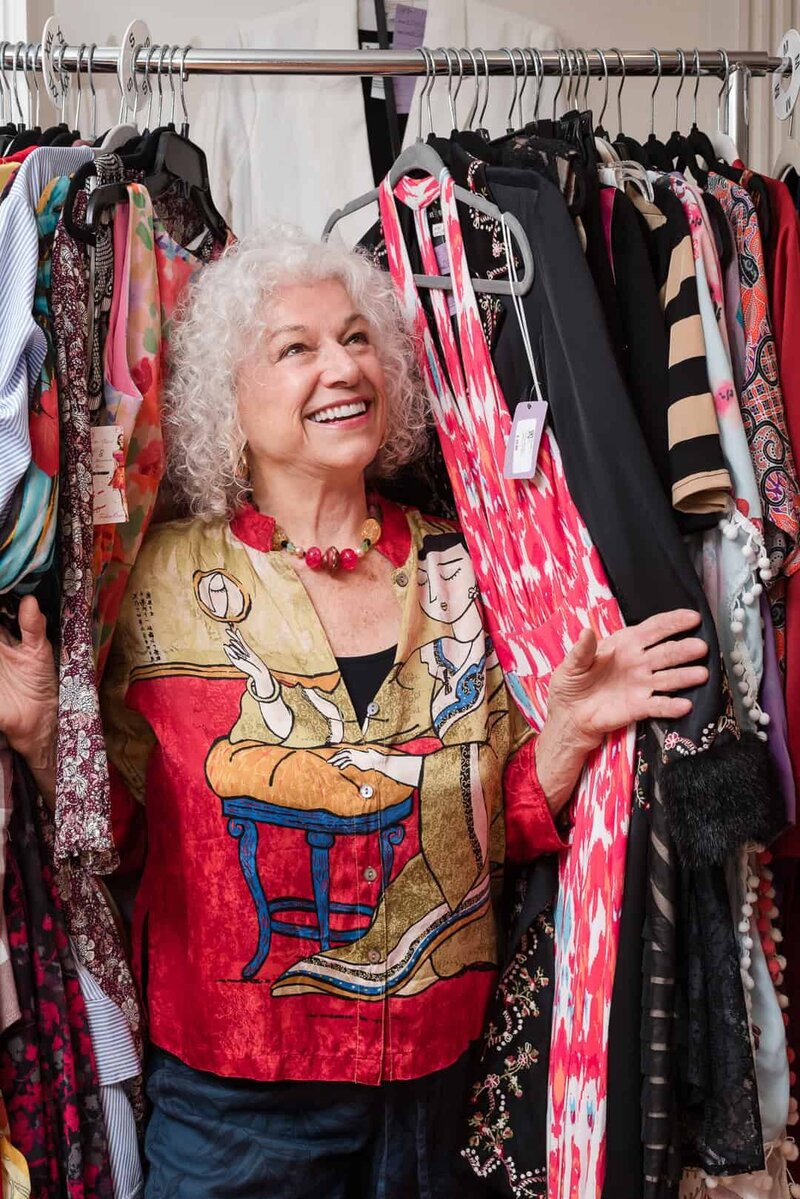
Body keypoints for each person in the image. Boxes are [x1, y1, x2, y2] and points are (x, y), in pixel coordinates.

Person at [0, 226, 709, 1198]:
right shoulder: (158, 584)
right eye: (294, 348)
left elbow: (486, 832)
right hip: (236, 1101)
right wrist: (43, 737)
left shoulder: (467, 568)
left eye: (357, 338)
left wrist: (571, 732)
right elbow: (121, 843)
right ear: (226, 398)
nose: (342, 366)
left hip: (438, 1081)